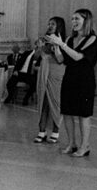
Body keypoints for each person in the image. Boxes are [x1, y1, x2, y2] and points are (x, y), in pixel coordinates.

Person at [49, 8, 97, 157]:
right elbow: (61, 60)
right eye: (72, 19)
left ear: (86, 21)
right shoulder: (70, 39)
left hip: (84, 80)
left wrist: (62, 45)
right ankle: (72, 143)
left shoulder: (92, 39)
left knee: (84, 114)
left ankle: (85, 146)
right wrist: (56, 47)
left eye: (77, 19)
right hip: (70, 79)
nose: (74, 22)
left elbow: (78, 57)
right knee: (68, 112)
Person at [28, 16, 69, 144]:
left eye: (53, 24)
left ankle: (55, 131)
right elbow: (36, 56)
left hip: (56, 73)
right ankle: (42, 131)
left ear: (59, 27)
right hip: (43, 72)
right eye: (49, 23)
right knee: (43, 101)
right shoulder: (44, 39)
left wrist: (57, 46)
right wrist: (39, 47)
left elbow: (61, 60)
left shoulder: (63, 41)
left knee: (55, 103)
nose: (50, 26)